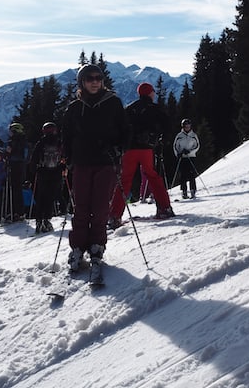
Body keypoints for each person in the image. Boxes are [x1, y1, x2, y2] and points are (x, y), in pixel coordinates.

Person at [61, 64, 127, 279]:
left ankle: (97, 246)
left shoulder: (113, 103)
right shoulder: (74, 108)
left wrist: (118, 148)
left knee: (99, 208)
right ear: (82, 82)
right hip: (81, 163)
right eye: (89, 78)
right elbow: (67, 135)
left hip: (105, 163)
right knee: (81, 208)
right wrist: (67, 158)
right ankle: (77, 248)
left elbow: (126, 130)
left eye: (98, 77)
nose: (95, 81)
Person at [111, 82, 174, 224]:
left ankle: (114, 215)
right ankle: (164, 208)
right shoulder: (156, 109)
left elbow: (120, 127)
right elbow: (167, 125)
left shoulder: (130, 108)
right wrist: (163, 140)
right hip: (147, 149)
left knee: (125, 180)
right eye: (153, 92)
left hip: (129, 149)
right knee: (153, 177)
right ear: (150, 93)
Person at [28, 121, 62, 233]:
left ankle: (39, 221)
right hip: (55, 172)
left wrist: (33, 171)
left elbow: (33, 158)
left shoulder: (41, 142)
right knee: (50, 197)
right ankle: (47, 220)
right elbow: (64, 156)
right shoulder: (58, 142)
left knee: (41, 197)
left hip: (42, 172)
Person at [173, 118, 200, 199]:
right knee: (183, 175)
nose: (187, 127)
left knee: (192, 174)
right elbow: (175, 146)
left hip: (191, 157)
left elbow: (197, 146)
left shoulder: (193, 135)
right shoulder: (179, 136)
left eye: (188, 125)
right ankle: (184, 191)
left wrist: (190, 151)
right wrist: (178, 153)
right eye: (186, 126)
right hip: (183, 158)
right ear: (183, 126)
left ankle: (193, 190)